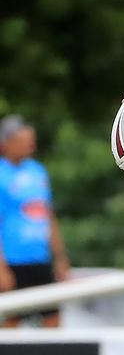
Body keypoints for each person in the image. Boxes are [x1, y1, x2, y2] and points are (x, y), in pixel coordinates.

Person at [0, 114, 69, 327]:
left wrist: (60, 258)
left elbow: (48, 215)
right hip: (12, 262)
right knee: (12, 320)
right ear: (8, 143)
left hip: (41, 259)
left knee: (53, 318)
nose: (32, 145)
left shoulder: (38, 171)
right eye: (26, 140)